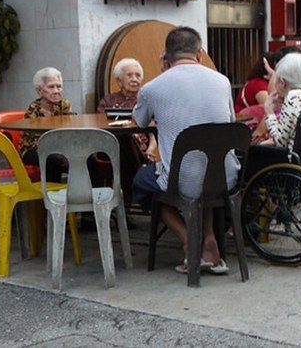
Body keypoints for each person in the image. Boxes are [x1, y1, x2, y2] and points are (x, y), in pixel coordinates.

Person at [132, 26, 239, 275]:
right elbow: (230, 121)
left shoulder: (152, 88)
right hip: (225, 177)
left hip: (183, 179)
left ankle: (189, 239)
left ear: (166, 59)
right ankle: (209, 237)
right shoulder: (222, 81)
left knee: (141, 182)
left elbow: (139, 121)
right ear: (199, 55)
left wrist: (162, 74)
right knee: (205, 171)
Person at [96, 58, 157, 203]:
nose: (135, 79)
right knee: (124, 137)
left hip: (143, 149)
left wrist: (151, 149)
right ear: (119, 81)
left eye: (137, 75)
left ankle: (127, 206)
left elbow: (154, 129)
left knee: (125, 155)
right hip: (113, 149)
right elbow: (101, 126)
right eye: (129, 75)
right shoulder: (108, 101)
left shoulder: (146, 100)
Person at [19, 67, 72, 183]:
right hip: (33, 148)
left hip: (59, 146)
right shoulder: (33, 110)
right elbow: (38, 141)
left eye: (59, 86)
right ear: (39, 91)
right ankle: (52, 197)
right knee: (52, 160)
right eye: (51, 87)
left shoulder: (64, 105)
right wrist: (59, 152)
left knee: (86, 157)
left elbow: (69, 130)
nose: (56, 91)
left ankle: (91, 196)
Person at [259, 52, 301, 149]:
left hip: (292, 158)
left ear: (283, 83)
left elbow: (280, 141)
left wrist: (269, 112)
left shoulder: (291, 98)